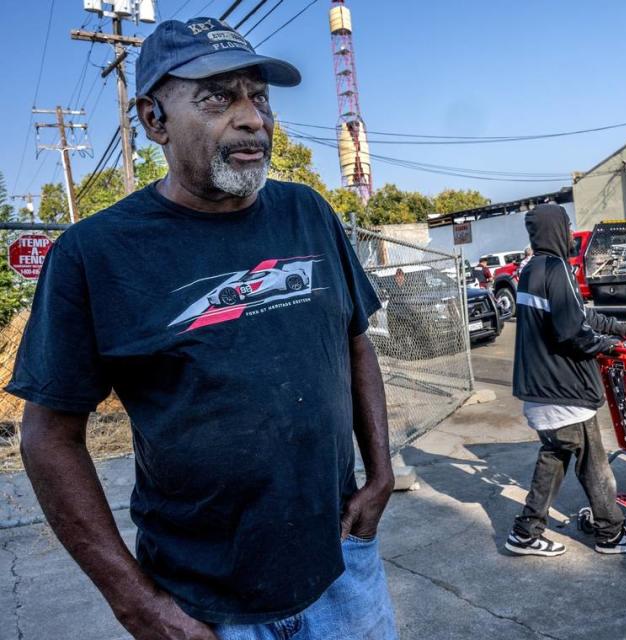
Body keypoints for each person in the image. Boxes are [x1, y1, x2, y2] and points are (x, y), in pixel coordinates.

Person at [6, 17, 397, 640]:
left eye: (259, 96)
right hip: (201, 608)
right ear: (154, 119)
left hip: (343, 571)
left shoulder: (308, 213)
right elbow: (47, 438)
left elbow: (355, 341)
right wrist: (138, 605)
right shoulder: (93, 255)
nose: (252, 118)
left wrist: (380, 475)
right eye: (218, 97)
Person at [505, 204, 626, 557]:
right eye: (568, 228)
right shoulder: (555, 268)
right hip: (564, 390)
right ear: (556, 230)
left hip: (540, 388)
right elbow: (572, 331)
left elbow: (579, 314)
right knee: (594, 465)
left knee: (555, 455)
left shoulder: (530, 270)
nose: (571, 235)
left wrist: (619, 327)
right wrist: (610, 347)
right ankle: (610, 533)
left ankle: (526, 532)